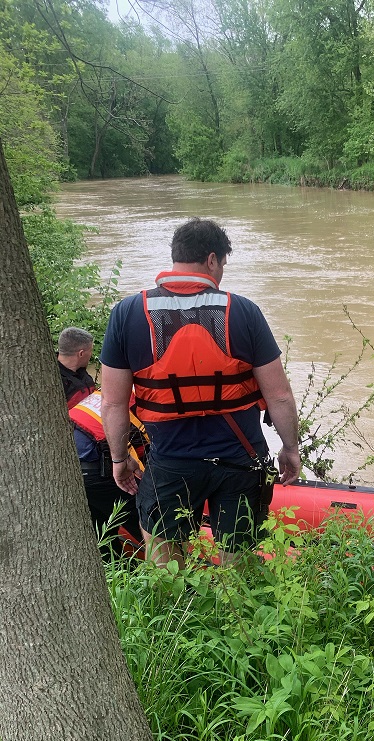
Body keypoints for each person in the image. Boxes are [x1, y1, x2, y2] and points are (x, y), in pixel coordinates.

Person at [99, 217, 301, 565]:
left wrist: (119, 459)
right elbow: (279, 395)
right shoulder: (244, 311)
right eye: (222, 264)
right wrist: (290, 448)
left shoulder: (127, 313)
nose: (221, 272)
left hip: (170, 462)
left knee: (166, 567)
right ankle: (235, 599)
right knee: (238, 566)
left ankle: (178, 601)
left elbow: (113, 402)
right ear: (211, 260)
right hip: (239, 461)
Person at [69, 390, 146, 556]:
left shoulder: (110, 390)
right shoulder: (143, 403)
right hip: (97, 467)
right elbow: (146, 454)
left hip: (69, 465)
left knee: (102, 531)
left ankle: (117, 568)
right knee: (148, 522)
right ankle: (173, 563)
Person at [57, 327, 95, 406]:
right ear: (81, 354)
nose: (91, 355)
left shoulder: (81, 371)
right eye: (91, 351)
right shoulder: (56, 382)